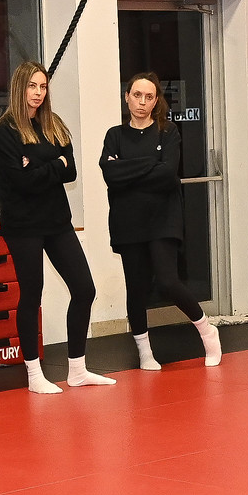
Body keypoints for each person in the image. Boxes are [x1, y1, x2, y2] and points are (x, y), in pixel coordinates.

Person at [0, 62, 110, 394]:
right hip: (23, 224)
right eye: (32, 86)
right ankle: (33, 374)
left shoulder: (53, 124)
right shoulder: (6, 129)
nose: (38, 93)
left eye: (42, 87)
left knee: (84, 288)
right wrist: (53, 163)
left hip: (57, 220)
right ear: (20, 88)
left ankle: (77, 369)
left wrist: (41, 164)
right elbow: (21, 180)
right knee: (32, 294)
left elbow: (70, 170)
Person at [98, 71, 222, 369]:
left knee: (167, 281)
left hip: (163, 218)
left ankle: (207, 330)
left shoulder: (167, 132)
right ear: (127, 97)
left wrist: (127, 168)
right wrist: (147, 166)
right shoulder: (115, 135)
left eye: (149, 97)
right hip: (128, 221)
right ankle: (144, 352)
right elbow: (110, 174)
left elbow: (168, 174)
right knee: (136, 287)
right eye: (137, 95)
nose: (142, 102)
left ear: (156, 101)